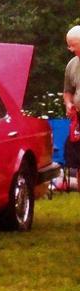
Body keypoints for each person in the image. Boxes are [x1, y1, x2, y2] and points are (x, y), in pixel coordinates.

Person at [63, 25, 80, 189]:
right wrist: (69, 103)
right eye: (70, 45)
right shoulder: (72, 65)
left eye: (74, 45)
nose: (71, 49)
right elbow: (68, 91)